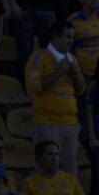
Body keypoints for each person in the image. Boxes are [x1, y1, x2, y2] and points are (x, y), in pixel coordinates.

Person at [26, 22, 86, 178]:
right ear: (55, 37)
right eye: (67, 37)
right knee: (44, 171)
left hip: (70, 125)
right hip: (47, 123)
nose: (71, 41)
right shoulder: (39, 56)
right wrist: (58, 72)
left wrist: (76, 74)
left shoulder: (72, 58)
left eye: (72, 37)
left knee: (70, 171)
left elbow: (81, 90)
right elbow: (34, 86)